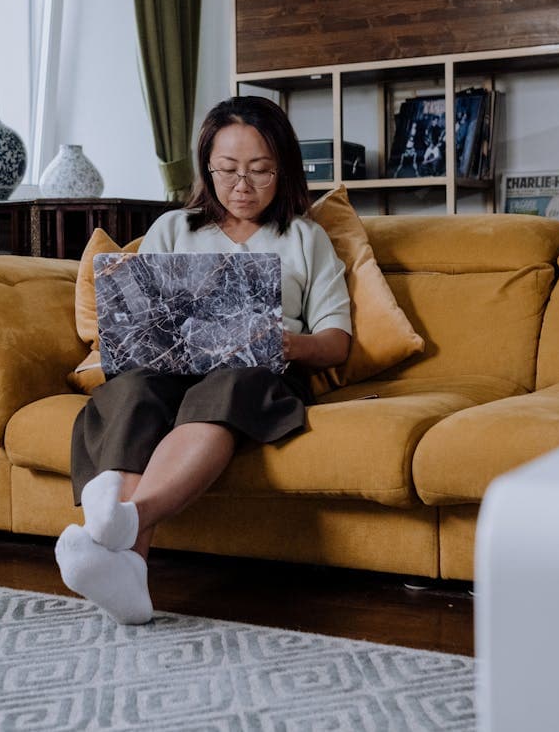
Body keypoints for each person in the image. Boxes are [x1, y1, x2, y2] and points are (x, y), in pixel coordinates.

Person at [54, 96, 353, 625]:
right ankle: (128, 571)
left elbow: (336, 341)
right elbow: (139, 314)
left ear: (283, 170)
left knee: (227, 386)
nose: (243, 185)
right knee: (130, 390)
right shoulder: (173, 229)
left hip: (260, 371)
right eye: (228, 170)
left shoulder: (306, 238)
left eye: (260, 171)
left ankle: (128, 520)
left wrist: (289, 344)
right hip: (171, 368)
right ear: (206, 169)